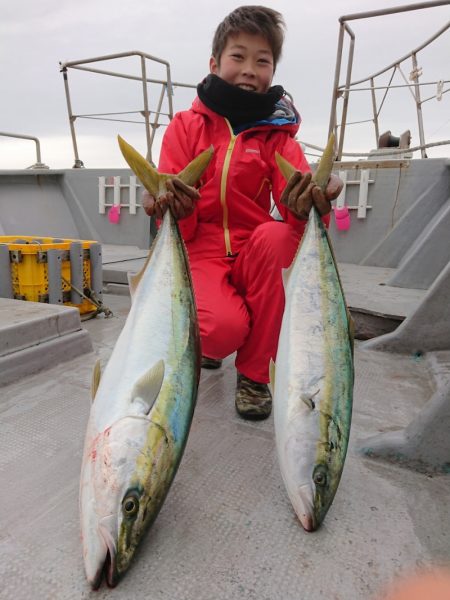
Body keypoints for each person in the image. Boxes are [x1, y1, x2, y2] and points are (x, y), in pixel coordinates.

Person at [142, 6, 342, 420]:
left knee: (281, 238)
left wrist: (310, 206)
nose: (250, 69)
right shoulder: (184, 127)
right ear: (215, 64)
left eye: (262, 60)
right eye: (238, 56)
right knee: (218, 332)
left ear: (273, 69)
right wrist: (174, 211)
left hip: (255, 247)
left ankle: (254, 374)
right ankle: (215, 344)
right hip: (201, 247)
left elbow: (296, 215)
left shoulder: (278, 135)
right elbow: (179, 221)